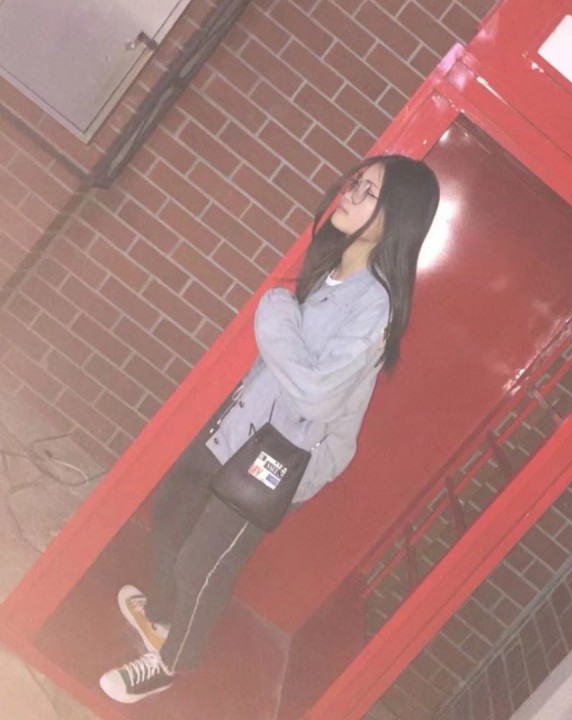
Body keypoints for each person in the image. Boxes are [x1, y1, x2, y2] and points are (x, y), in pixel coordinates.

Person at [99, 154, 440, 703]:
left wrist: (275, 311)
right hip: (241, 422)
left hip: (281, 455)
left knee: (205, 561)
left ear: (395, 217)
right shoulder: (330, 265)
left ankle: (172, 663)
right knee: (173, 510)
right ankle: (160, 618)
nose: (350, 194)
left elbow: (316, 393)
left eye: (368, 191)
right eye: (355, 182)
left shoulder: (374, 306)